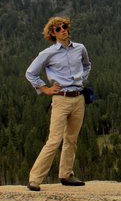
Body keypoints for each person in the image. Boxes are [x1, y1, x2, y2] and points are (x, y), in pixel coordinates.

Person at [24, 16, 91, 191]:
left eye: (64, 27)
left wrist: (81, 79)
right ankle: (35, 179)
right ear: (52, 34)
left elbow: (87, 65)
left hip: (78, 98)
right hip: (60, 99)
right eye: (57, 29)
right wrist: (44, 89)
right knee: (54, 140)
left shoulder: (80, 48)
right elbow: (30, 73)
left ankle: (66, 175)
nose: (62, 30)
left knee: (72, 139)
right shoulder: (48, 53)